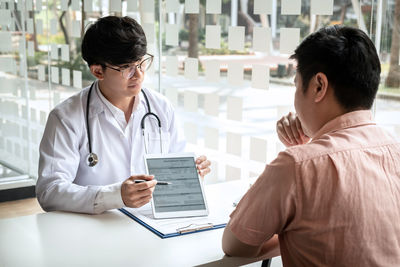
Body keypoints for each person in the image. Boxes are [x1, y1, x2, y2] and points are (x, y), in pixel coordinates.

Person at [222, 25, 400, 266]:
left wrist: (286, 230)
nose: (295, 99)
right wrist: (312, 143)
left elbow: (236, 245)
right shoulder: (394, 150)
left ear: (318, 86)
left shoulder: (295, 166)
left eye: (296, 85)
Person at [36, 16, 210, 214]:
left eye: (141, 63)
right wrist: (115, 196)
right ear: (97, 71)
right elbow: (49, 192)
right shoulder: (66, 118)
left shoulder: (161, 108)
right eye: (126, 67)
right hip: (92, 229)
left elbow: (174, 174)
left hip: (151, 224)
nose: (138, 75)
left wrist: (191, 174)